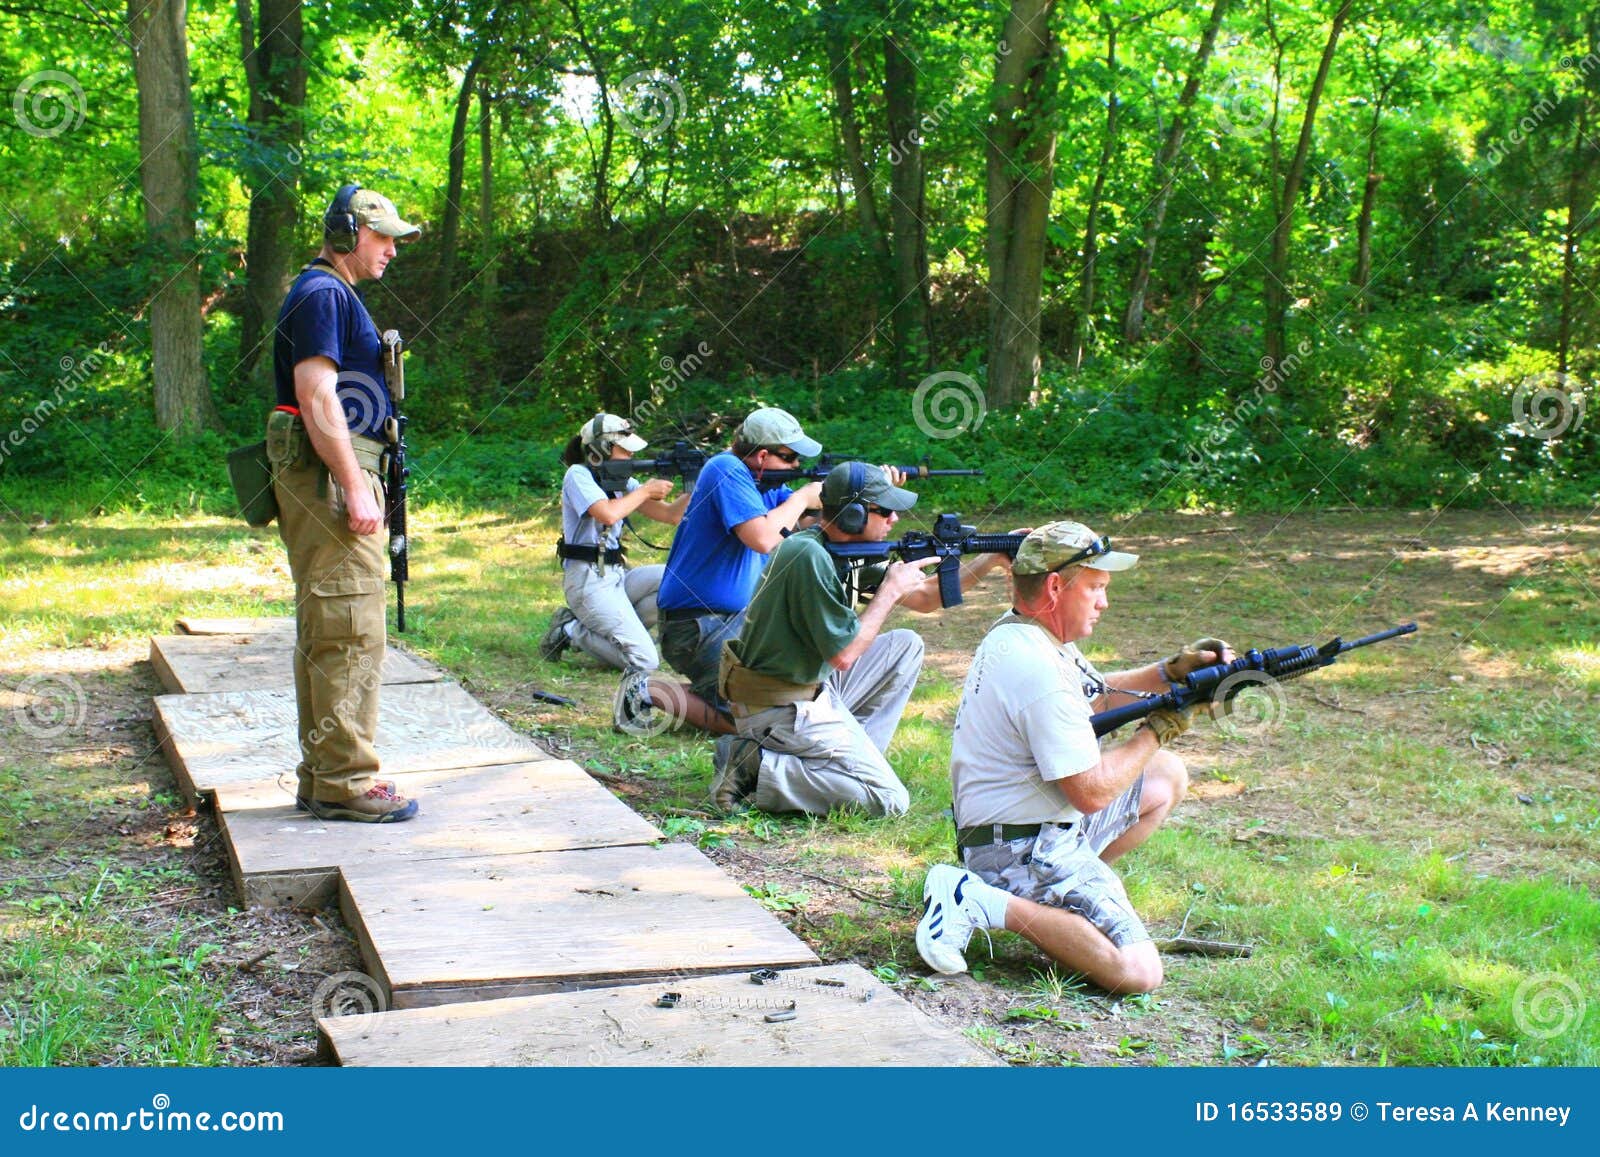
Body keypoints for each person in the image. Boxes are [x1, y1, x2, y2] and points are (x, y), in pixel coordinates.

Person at [913, 521, 1232, 992]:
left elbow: (1096, 698)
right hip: (1020, 849)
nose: (1105, 602)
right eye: (1097, 588)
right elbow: (1089, 793)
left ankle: (1063, 902)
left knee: (1165, 776)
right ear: (1056, 586)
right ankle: (979, 899)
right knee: (1137, 972)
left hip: (1022, 828)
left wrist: (1170, 672)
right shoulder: (1036, 667)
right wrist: (1161, 727)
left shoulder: (1026, 634)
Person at [712, 462, 1014, 817]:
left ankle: (851, 766)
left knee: (906, 645)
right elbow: (843, 655)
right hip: (777, 708)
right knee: (889, 801)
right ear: (853, 515)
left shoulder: (839, 550)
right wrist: (887, 593)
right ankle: (754, 765)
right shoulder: (807, 555)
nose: (894, 520)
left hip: (808, 687)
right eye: (884, 511)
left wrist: (990, 557)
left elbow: (926, 597)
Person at [266, 184, 420, 823]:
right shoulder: (326, 292)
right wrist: (356, 485)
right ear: (349, 233)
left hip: (334, 470)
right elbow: (316, 392)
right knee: (351, 627)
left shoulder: (325, 292)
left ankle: (324, 772)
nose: (391, 249)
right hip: (335, 473)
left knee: (331, 627)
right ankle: (347, 779)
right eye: (383, 236)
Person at [613, 407, 823, 737]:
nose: (797, 466)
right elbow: (764, 538)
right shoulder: (726, 470)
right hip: (698, 626)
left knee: (780, 708)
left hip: (736, 622)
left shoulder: (762, 485)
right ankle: (646, 691)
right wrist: (803, 496)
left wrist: (862, 490)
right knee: (754, 727)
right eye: (791, 457)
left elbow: (808, 521)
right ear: (764, 456)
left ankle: (711, 693)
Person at [540, 414, 688, 674]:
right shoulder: (578, 475)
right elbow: (606, 513)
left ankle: (616, 636)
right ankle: (571, 630)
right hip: (588, 581)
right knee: (646, 661)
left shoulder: (623, 481)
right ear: (601, 450)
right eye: (625, 449)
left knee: (677, 580)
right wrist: (645, 490)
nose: (631, 456)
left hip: (616, 576)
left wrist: (695, 483)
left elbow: (670, 515)